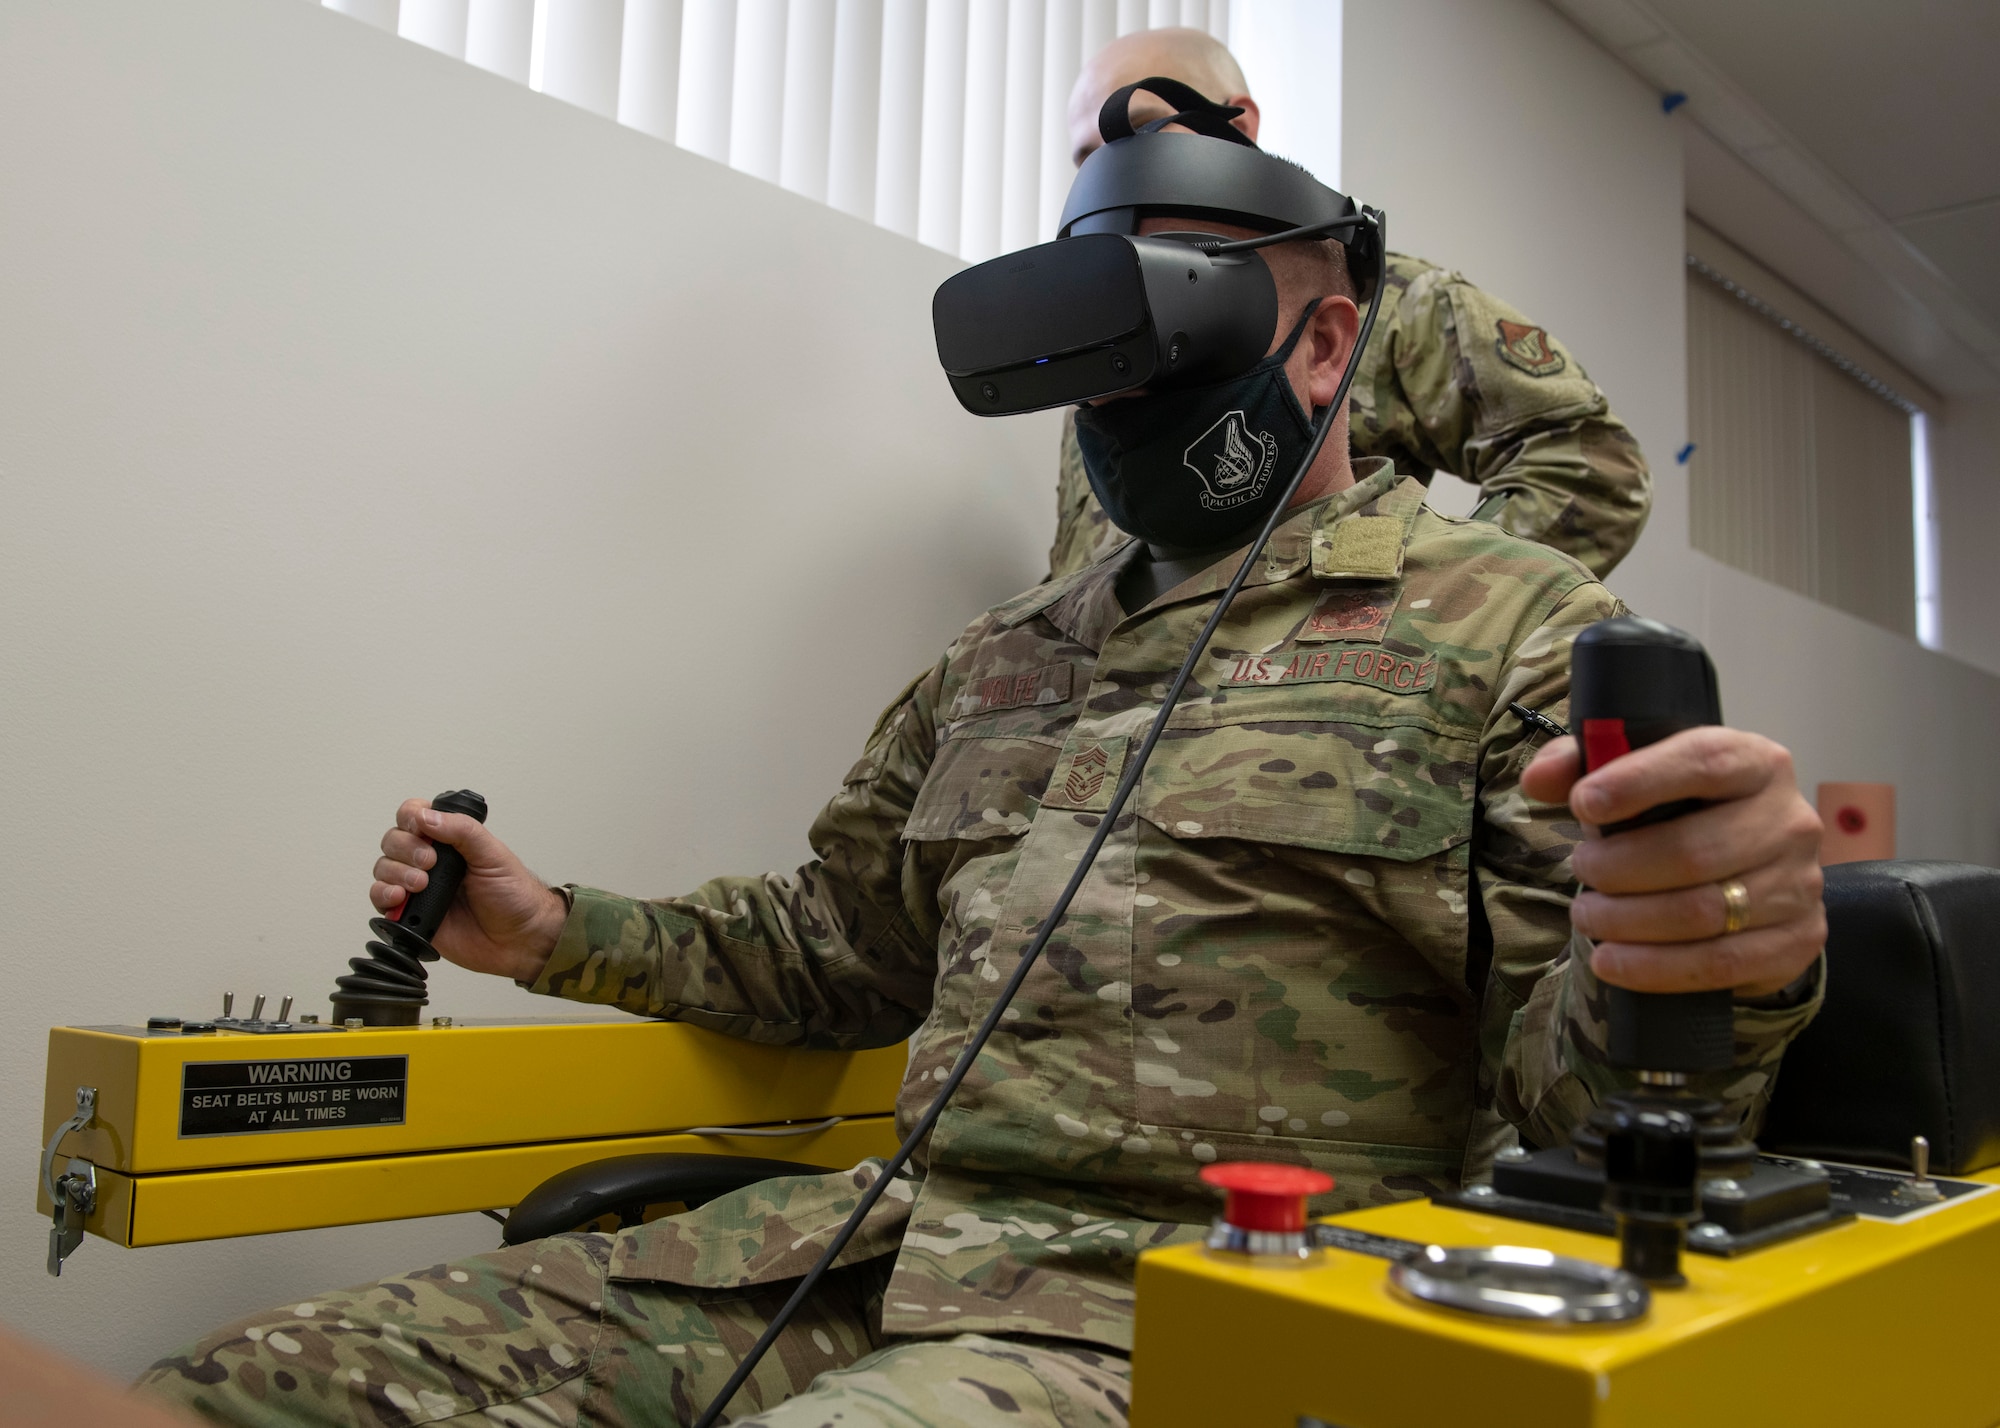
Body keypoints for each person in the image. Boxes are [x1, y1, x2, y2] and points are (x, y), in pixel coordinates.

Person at [140, 140, 1825, 1428]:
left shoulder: (1512, 629)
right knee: (243, 1386)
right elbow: (835, 948)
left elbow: (1591, 1131)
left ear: (1322, 346)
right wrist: (557, 924)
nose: (1123, 387)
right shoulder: (1003, 655)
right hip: (853, 1260)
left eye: (1168, 317)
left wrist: (1710, 955)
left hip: (1194, 1311)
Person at [1047, 27, 1653, 583]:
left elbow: (1592, 464)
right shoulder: (1101, 345)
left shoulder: (1391, 307)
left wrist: (1434, 590)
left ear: (1240, 124)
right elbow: (1083, 562)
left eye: (1147, 124)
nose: (1114, 164)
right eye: (1089, 154)